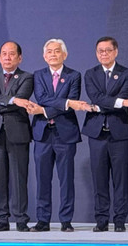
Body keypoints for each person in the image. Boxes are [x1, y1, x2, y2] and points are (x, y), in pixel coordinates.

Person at [28, 39, 89, 232]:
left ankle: (65, 220)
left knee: (66, 179)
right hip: (43, 134)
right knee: (43, 179)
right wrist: (67, 103)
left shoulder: (74, 76)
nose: (53, 54)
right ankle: (43, 220)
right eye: (49, 52)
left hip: (65, 134)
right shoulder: (38, 75)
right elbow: (42, 98)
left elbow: (71, 100)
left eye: (57, 51)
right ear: (44, 56)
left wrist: (45, 111)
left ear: (65, 54)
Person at [82, 36, 128, 232]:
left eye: (107, 50)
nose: (104, 54)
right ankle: (101, 220)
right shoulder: (90, 74)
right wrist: (117, 103)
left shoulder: (127, 73)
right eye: (100, 51)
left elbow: (124, 96)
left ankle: (120, 220)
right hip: (97, 133)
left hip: (120, 132)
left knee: (120, 178)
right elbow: (94, 97)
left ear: (116, 52)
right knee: (99, 178)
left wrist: (101, 105)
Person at [0, 41, 34, 233]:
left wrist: (11, 102)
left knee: (19, 178)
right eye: (4, 54)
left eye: (11, 54)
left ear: (19, 58)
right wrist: (13, 99)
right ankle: (1, 219)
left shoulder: (27, 77)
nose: (7, 57)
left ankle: (21, 219)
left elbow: (22, 99)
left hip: (18, 132)